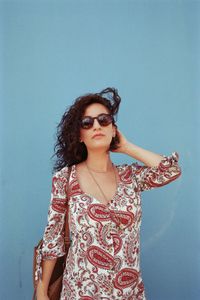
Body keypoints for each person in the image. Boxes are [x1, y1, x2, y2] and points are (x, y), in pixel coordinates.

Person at [35, 87, 182, 300]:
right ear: (80, 135)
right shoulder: (65, 179)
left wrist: (127, 147)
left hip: (129, 293)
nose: (96, 126)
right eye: (87, 122)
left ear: (114, 129)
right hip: (80, 292)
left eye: (104, 120)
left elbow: (171, 171)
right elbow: (53, 238)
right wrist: (42, 289)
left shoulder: (131, 177)